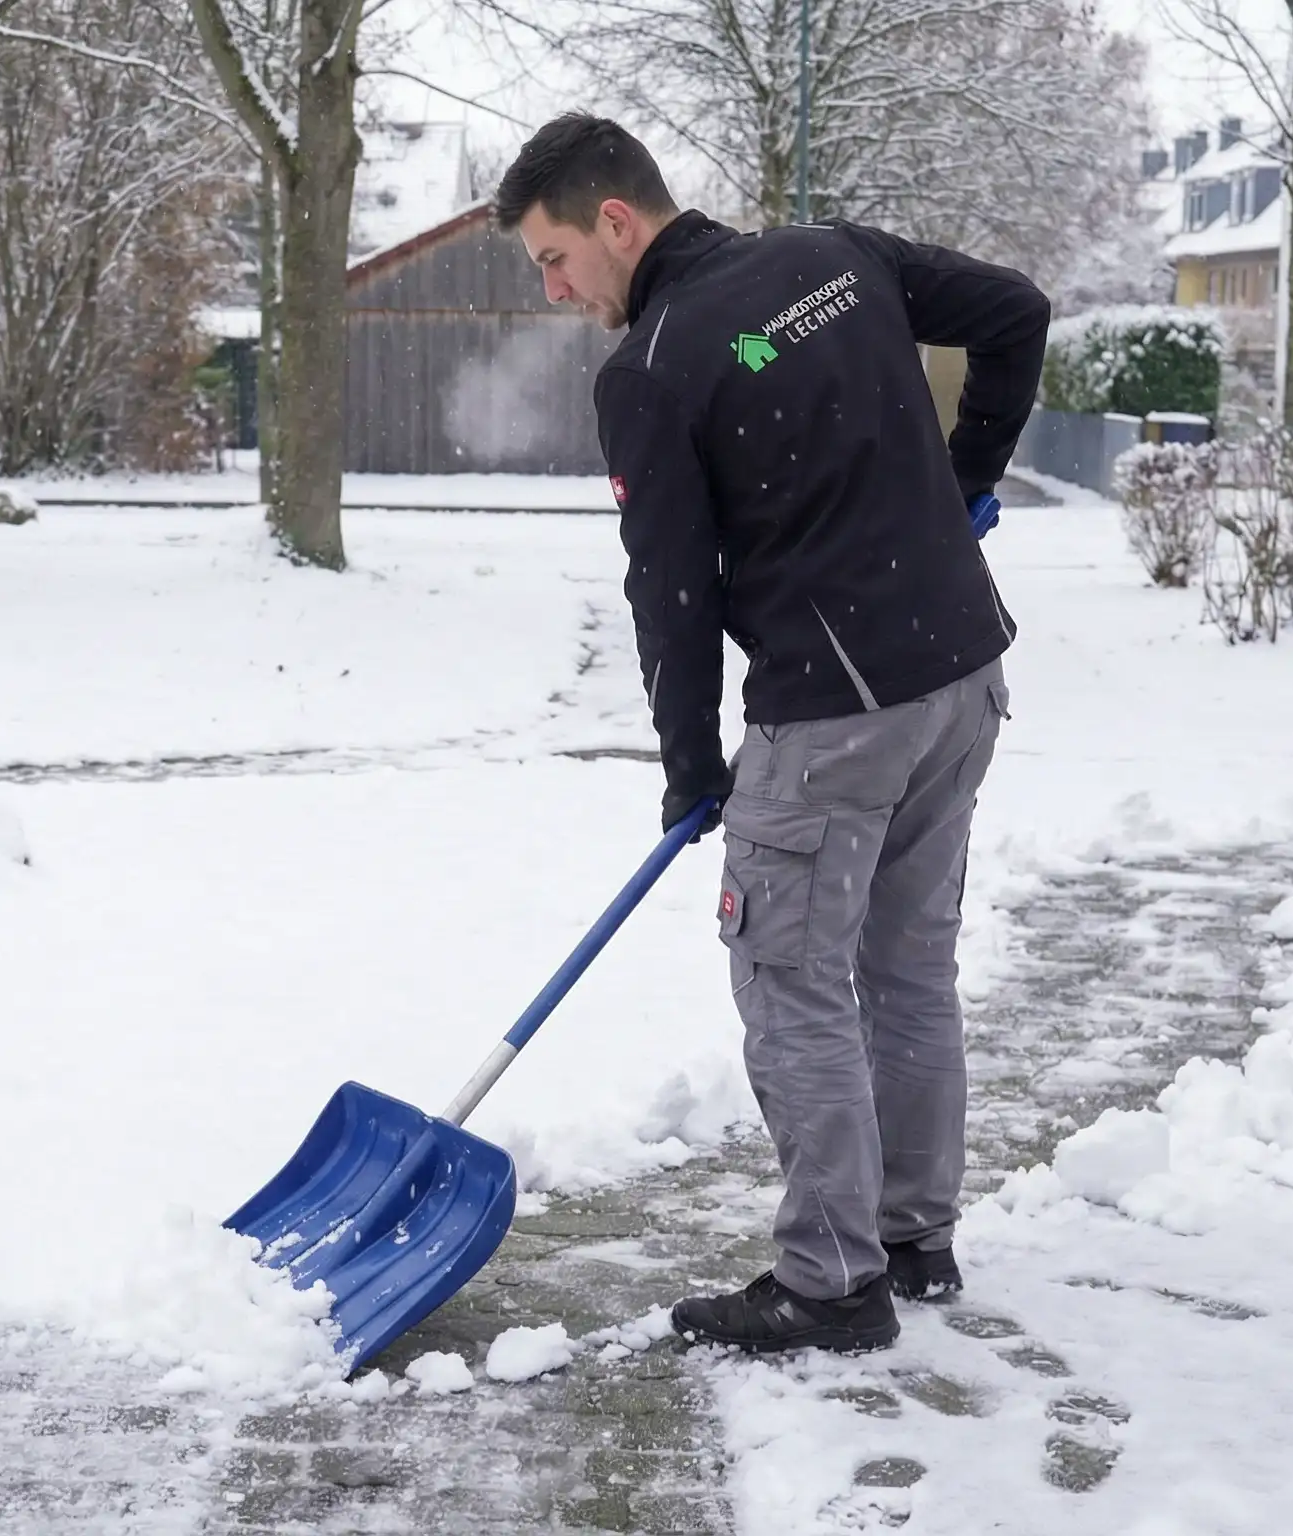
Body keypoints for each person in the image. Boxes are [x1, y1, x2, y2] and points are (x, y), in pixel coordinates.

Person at [492, 114, 1049, 1354]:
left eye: (553, 258)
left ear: (616, 223)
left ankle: (831, 1281)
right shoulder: (835, 256)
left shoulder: (652, 367)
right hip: (962, 675)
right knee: (906, 967)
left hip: (837, 716)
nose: (556, 287)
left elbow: (670, 591)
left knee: (790, 979)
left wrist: (691, 769)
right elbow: (1015, 310)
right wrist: (965, 485)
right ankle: (912, 1237)